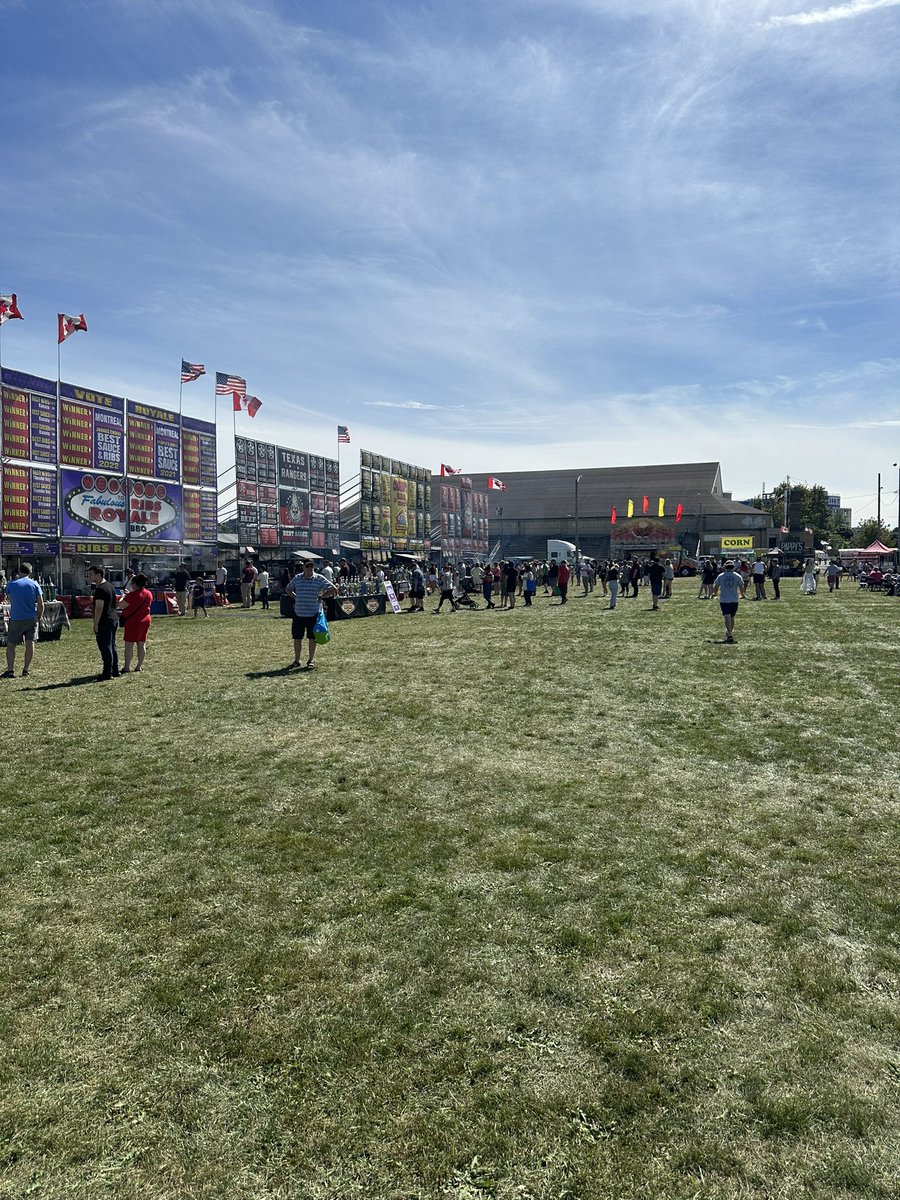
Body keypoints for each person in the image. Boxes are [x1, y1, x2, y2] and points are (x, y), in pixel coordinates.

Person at [285, 560, 336, 670]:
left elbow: (333, 589)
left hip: (313, 614)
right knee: (297, 638)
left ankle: (310, 660)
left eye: (311, 566)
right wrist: (295, 597)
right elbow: (288, 589)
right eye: (307, 566)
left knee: (312, 638)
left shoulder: (319, 578)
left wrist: (322, 596)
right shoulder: (297, 578)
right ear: (303, 567)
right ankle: (297, 660)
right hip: (299, 614)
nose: (309, 568)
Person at [2, 563, 44, 679]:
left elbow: (9, 599)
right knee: (30, 644)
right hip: (31, 618)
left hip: (16, 618)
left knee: (11, 645)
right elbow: (41, 604)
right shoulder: (35, 584)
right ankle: (26, 669)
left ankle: (10, 670)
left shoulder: (11, 584)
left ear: (19, 571)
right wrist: (39, 617)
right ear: (30, 572)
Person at [89, 564, 120, 680]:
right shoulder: (110, 586)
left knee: (105, 647)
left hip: (105, 620)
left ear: (99, 575)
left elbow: (99, 608)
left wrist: (96, 624)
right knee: (112, 645)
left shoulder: (100, 589)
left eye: (91, 574)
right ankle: (115, 669)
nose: (89, 576)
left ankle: (107, 672)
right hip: (113, 619)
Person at [118, 572, 152, 672]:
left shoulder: (132, 595)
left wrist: (123, 596)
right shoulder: (148, 593)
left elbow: (121, 605)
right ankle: (139, 666)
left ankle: (127, 667)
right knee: (141, 644)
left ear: (135, 584)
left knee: (129, 645)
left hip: (133, 621)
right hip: (145, 620)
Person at [712, 559, 746, 644]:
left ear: (725, 567)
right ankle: (730, 633)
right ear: (733, 567)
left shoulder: (721, 576)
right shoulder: (737, 576)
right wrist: (742, 594)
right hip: (734, 600)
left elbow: (716, 586)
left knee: (727, 617)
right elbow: (741, 586)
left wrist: (714, 593)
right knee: (732, 617)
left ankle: (729, 633)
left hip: (724, 600)